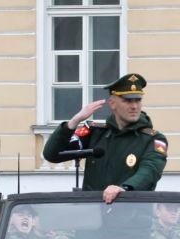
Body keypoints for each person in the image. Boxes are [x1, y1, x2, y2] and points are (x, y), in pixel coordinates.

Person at [43, 73, 168, 204]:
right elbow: (52, 155)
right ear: (112, 104)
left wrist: (124, 188)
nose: (134, 106)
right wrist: (74, 121)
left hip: (131, 212)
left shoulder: (154, 139)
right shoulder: (96, 133)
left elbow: (150, 170)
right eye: (128, 100)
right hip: (93, 212)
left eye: (138, 100)